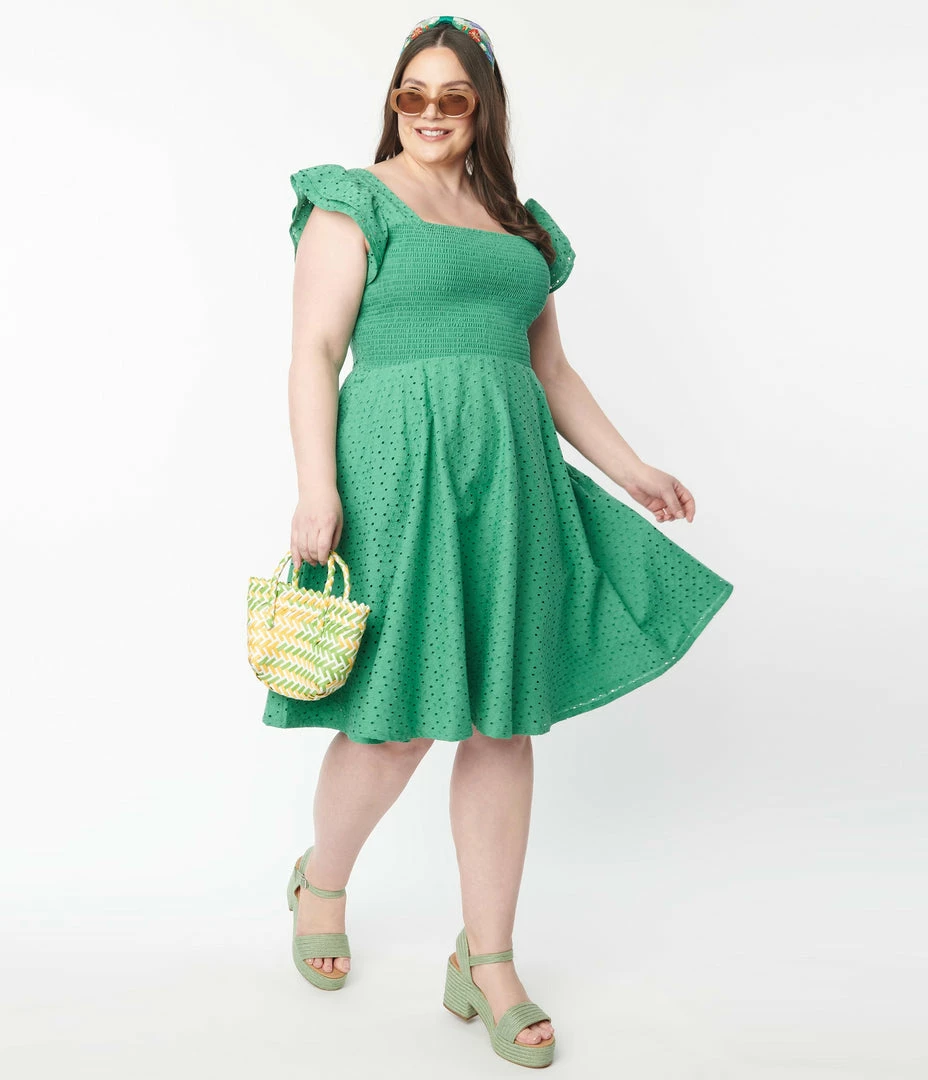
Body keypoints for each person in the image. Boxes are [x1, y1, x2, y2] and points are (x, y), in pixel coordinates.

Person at [266, 14, 734, 1068]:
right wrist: (315, 487)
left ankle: (486, 962)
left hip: (510, 481)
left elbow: (551, 371)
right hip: (395, 476)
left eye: (453, 96)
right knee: (392, 726)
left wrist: (631, 468)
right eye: (412, 94)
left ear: (484, 109)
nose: (430, 113)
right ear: (394, 101)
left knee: (502, 725)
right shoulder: (353, 200)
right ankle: (321, 883)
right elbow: (314, 351)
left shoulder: (519, 225)